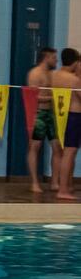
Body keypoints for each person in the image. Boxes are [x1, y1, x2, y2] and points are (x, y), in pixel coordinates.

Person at [26, 47, 60, 193]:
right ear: (46, 57)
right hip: (38, 114)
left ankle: (54, 182)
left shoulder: (52, 74)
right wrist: (53, 97)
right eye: (54, 58)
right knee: (35, 147)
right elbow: (33, 96)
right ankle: (34, 183)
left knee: (58, 148)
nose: (56, 61)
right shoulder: (35, 74)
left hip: (51, 114)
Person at [50, 49, 81, 201]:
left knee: (63, 153)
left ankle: (64, 186)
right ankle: (63, 189)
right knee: (69, 153)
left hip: (59, 116)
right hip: (73, 117)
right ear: (75, 62)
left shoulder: (55, 77)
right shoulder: (73, 80)